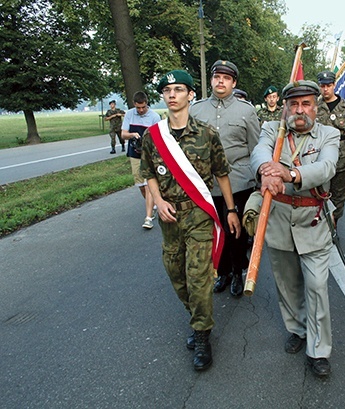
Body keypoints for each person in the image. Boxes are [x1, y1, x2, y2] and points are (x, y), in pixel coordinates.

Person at [140, 69, 241, 371]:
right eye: (167, 90)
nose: (172, 95)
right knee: (176, 275)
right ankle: (197, 318)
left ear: (190, 95)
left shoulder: (207, 133)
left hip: (198, 215)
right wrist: (157, 201)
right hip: (169, 219)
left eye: (178, 89)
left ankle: (201, 335)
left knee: (198, 278)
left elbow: (222, 174)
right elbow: (147, 174)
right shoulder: (153, 136)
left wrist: (232, 210)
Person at [249, 80, 340, 377]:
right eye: (294, 104)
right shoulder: (271, 130)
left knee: (316, 285)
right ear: (285, 106)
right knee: (287, 284)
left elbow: (327, 168)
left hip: (312, 220)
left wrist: (288, 173)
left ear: (316, 107)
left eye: (306, 104)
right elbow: (259, 153)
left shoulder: (329, 134)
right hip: (277, 217)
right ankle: (297, 329)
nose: (299, 111)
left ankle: (319, 349)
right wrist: (266, 171)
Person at [190, 60, 260, 297]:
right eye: (217, 76)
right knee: (213, 230)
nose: (221, 81)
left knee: (236, 232)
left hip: (238, 181)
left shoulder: (246, 111)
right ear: (211, 80)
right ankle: (223, 271)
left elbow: (255, 148)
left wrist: (258, 181)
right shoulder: (196, 110)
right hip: (206, 184)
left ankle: (239, 271)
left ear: (234, 83)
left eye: (226, 78)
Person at [316, 70, 345, 222]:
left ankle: (334, 224)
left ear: (334, 85)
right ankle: (322, 226)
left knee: (339, 196)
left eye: (329, 85)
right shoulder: (315, 107)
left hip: (342, 160)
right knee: (319, 195)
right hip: (319, 159)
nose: (325, 89)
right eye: (323, 86)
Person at [121, 91, 161, 229]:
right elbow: (123, 134)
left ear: (146, 103)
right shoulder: (129, 114)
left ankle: (148, 217)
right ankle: (154, 204)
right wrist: (132, 134)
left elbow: (159, 138)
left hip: (149, 154)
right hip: (134, 153)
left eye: (143, 107)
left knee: (148, 184)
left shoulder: (155, 117)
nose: (141, 110)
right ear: (134, 105)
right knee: (141, 186)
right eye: (138, 107)